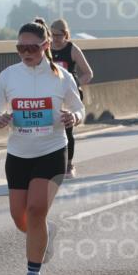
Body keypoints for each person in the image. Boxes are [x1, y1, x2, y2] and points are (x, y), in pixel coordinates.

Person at [0, 20, 84, 275]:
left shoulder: (62, 77)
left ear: (45, 46)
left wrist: (73, 117)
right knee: (20, 219)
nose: (26, 53)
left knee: (36, 209)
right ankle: (45, 233)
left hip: (51, 150)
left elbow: (79, 107)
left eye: (31, 47)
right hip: (18, 153)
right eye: (20, 48)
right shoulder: (8, 75)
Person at [50, 18, 94, 177]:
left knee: (67, 130)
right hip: (51, 95)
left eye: (58, 35)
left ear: (65, 34)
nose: (55, 38)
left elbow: (89, 73)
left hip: (69, 95)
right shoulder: (46, 48)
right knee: (49, 129)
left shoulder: (72, 49)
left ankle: (68, 165)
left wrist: (75, 84)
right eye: (52, 34)